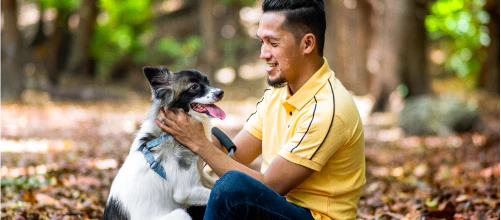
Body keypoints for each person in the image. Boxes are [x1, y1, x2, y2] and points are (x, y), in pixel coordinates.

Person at [156, 0, 366, 219]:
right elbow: (236, 155)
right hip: (275, 208)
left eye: (273, 43)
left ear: (307, 44)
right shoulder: (279, 92)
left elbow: (270, 186)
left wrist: (198, 142)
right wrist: (184, 130)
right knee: (185, 198)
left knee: (231, 188)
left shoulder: (328, 109)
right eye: (262, 42)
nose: (263, 54)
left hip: (312, 216)